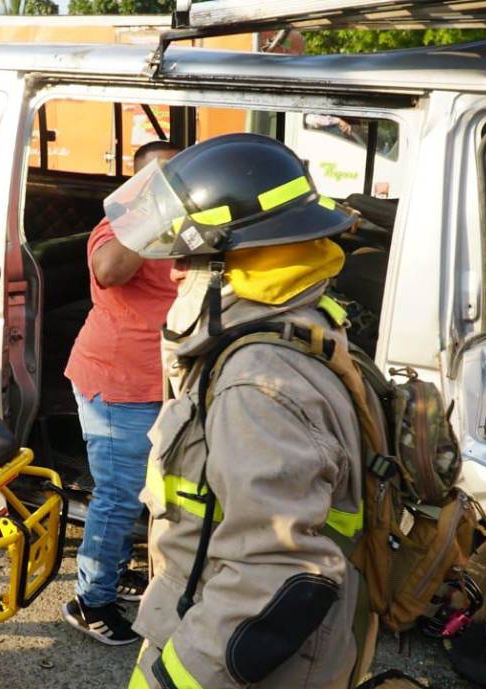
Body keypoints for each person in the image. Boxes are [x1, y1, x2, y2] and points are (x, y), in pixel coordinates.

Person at [105, 133, 365, 689]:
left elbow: (274, 570)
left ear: (235, 257)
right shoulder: (303, 318)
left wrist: (175, 680)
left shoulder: (256, 382)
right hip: (209, 616)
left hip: (235, 663)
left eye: (189, 255)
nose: (174, 271)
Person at [61, 140, 180, 646]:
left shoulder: (186, 229)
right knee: (117, 495)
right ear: (138, 186)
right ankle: (89, 601)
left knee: (156, 490)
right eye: (164, 178)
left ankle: (116, 570)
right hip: (117, 382)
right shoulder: (117, 228)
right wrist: (156, 208)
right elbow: (110, 271)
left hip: (163, 382)